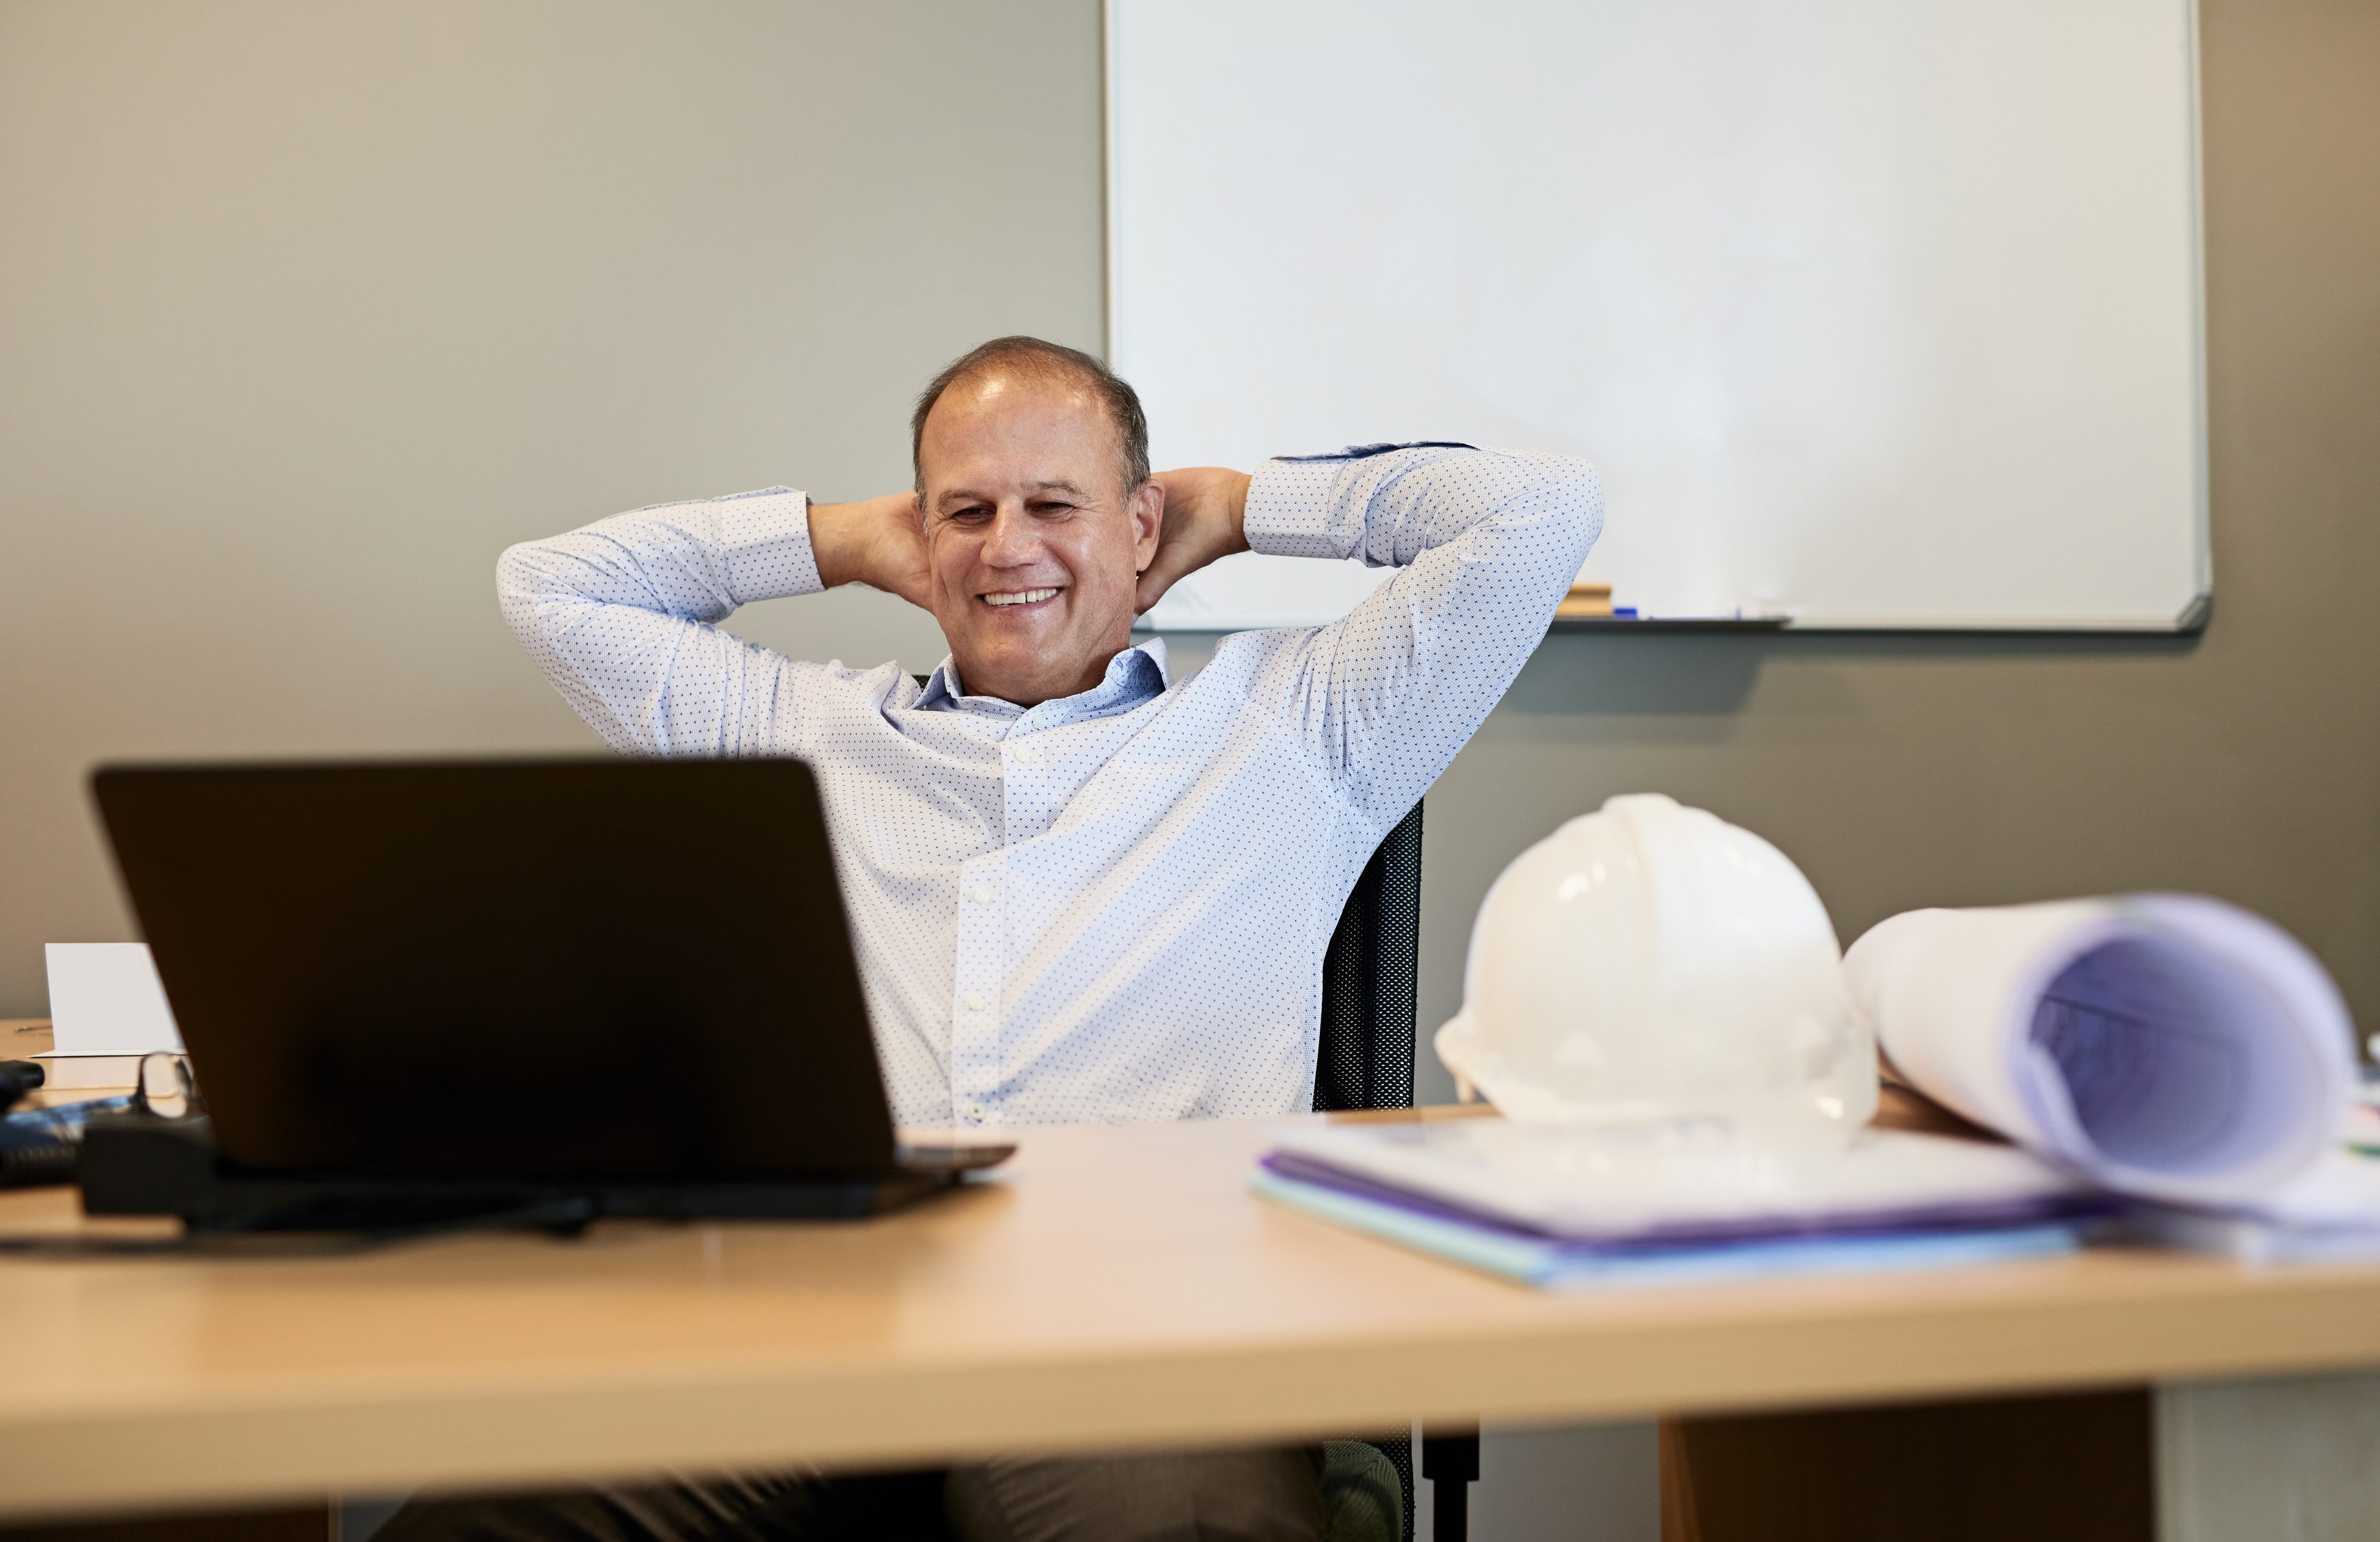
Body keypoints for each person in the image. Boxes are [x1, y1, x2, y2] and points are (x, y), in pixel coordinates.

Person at [385, 337, 1600, 1542]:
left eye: (1054, 506)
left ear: (1141, 526)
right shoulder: (798, 730)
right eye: (966, 511)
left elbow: (1541, 511)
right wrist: (839, 537)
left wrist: (1239, 508)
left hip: (1137, 1333)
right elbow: (550, 589)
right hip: (824, 1331)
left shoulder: (1297, 727)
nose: (1007, 547)